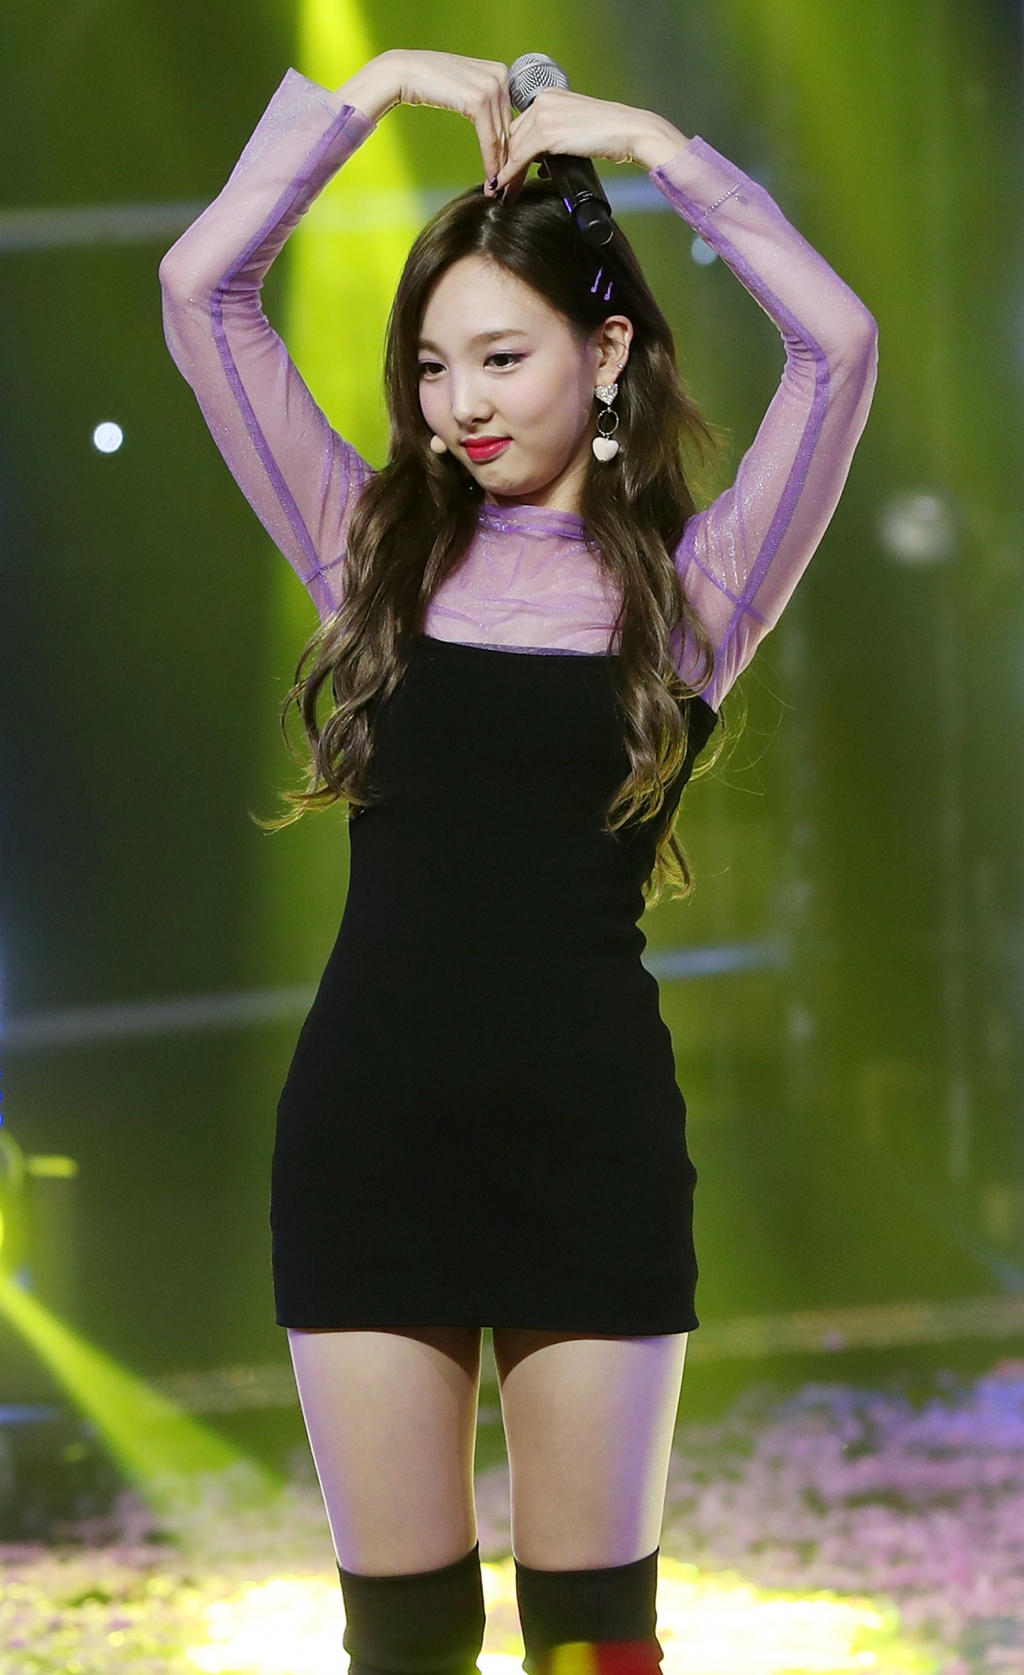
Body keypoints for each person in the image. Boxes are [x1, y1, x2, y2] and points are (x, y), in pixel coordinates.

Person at [159, 47, 878, 1675]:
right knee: (403, 1646)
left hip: (591, 1150)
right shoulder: (367, 552)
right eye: (431, 366)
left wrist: (661, 150)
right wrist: (372, 88)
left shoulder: (695, 597)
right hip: (369, 1143)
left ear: (605, 351)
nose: (460, 404)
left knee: (594, 1648)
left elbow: (838, 347)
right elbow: (203, 290)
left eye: (502, 356)